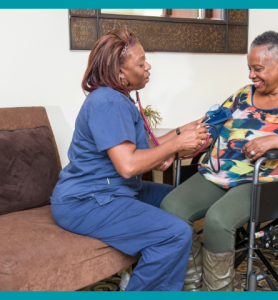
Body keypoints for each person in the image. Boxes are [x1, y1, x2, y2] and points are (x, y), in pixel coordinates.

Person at [160, 31, 278, 291]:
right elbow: (211, 126)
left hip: (268, 181)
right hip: (220, 173)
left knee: (218, 220)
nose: (251, 75)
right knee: (171, 207)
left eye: (258, 68)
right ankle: (193, 284)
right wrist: (178, 146)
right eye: (249, 68)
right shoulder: (242, 95)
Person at [50, 28, 208, 291]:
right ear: (119, 72)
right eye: (140, 62)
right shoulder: (108, 103)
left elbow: (144, 148)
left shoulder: (116, 99)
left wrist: (181, 132)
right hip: (86, 201)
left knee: (177, 200)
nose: (148, 66)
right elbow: (129, 165)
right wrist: (178, 144)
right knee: (174, 234)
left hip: (113, 190)